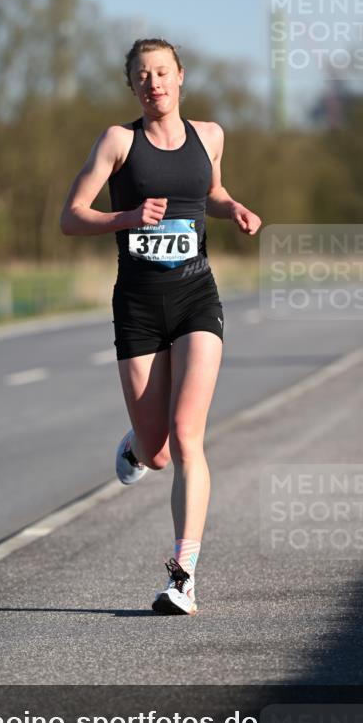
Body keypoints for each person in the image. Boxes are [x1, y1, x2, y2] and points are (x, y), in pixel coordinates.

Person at [60, 38, 261, 615]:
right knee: (157, 452)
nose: (155, 83)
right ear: (132, 87)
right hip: (139, 305)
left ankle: (183, 578)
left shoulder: (211, 136)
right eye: (143, 76)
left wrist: (235, 209)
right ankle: (136, 443)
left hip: (197, 296)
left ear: (180, 77)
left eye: (163, 72)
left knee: (186, 432)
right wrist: (126, 216)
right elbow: (70, 217)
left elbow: (211, 191)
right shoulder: (119, 142)